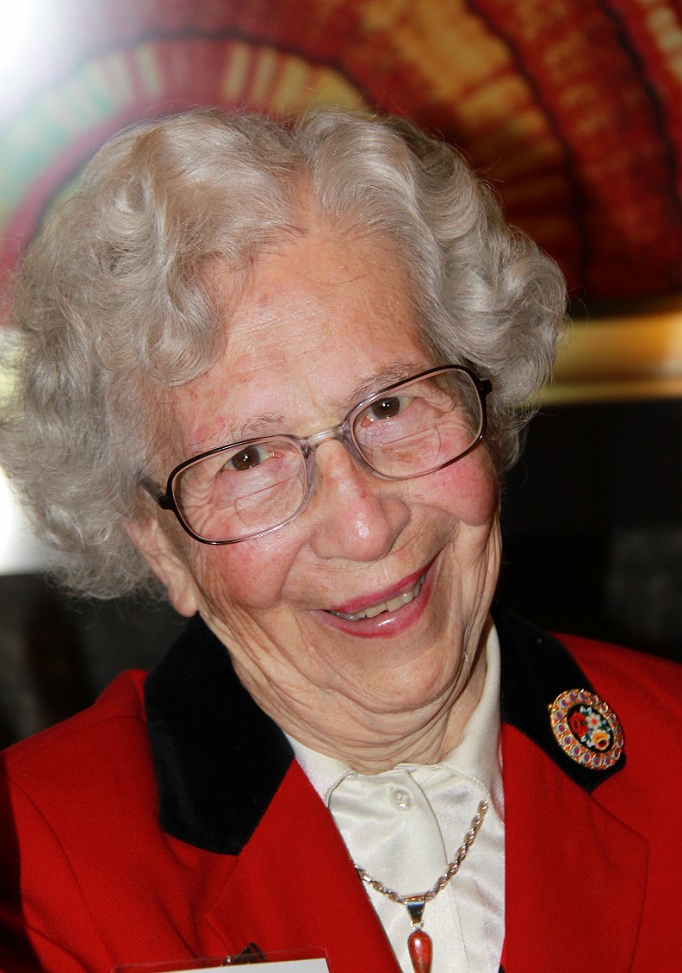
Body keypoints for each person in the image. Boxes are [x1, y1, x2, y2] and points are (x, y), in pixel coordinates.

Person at [0, 108, 680, 973]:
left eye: (390, 406)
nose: (364, 525)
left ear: (487, 402)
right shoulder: (30, 870)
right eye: (248, 458)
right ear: (161, 546)